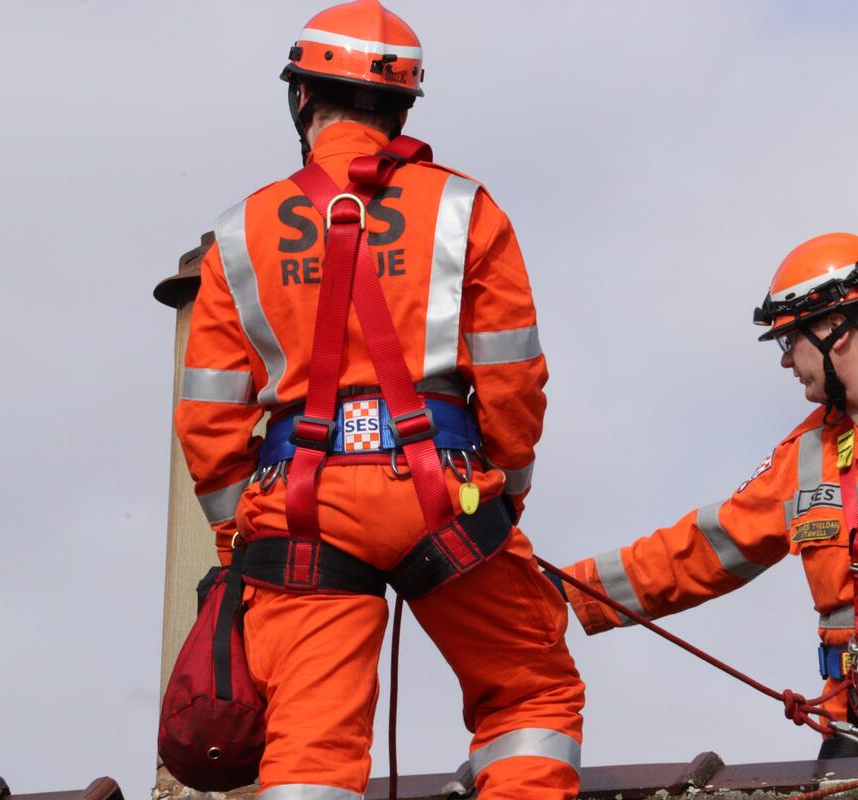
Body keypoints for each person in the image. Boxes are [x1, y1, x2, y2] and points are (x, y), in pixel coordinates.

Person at [173, 2, 584, 798]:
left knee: (310, 754)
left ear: (302, 98)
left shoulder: (238, 233)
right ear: (400, 108)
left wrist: (240, 541)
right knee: (529, 693)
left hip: (301, 511)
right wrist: (503, 492)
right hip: (446, 492)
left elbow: (209, 420)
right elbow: (512, 378)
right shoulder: (465, 207)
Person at [559, 232, 858, 769]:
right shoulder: (810, 452)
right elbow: (707, 547)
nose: (787, 362)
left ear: (835, 329)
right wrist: (571, 591)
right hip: (857, 732)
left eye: (790, 341)